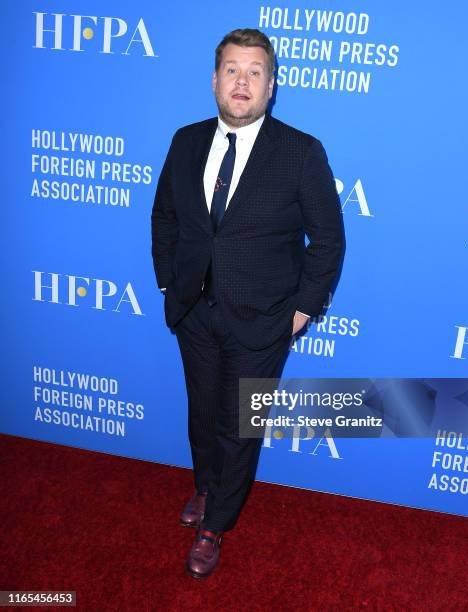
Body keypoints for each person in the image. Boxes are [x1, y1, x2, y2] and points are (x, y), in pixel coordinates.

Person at [151, 28, 344, 579]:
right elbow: (164, 217)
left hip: (263, 321)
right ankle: (206, 488)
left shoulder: (300, 152)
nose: (242, 81)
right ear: (215, 80)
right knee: (203, 414)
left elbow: (328, 240)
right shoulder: (185, 141)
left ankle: (217, 525)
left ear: (271, 86)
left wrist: (304, 308)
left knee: (240, 425)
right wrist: (170, 283)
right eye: (232, 70)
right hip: (194, 313)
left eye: (254, 72)